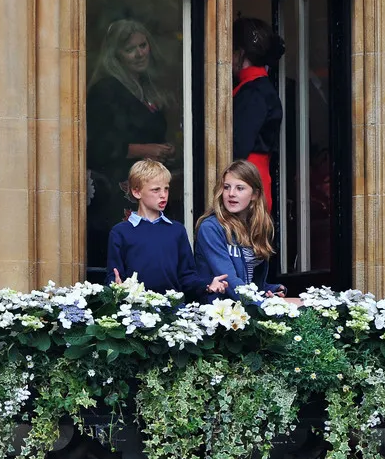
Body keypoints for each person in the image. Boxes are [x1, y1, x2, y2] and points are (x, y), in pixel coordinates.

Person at [86, 20, 176, 270]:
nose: (139, 53)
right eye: (130, 49)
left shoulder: (147, 86)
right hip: (119, 188)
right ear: (116, 56)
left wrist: (165, 148)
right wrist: (146, 150)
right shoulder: (106, 90)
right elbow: (98, 146)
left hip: (152, 183)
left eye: (143, 45)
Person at [106, 159, 226, 300]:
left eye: (166, 189)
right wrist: (116, 287)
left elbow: (187, 277)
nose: (163, 195)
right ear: (137, 192)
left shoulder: (176, 230)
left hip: (171, 308)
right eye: (156, 190)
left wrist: (206, 285)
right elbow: (113, 276)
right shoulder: (120, 232)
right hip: (134, 310)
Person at [194, 160, 286, 300]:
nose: (231, 193)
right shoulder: (211, 228)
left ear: (255, 194)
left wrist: (268, 290)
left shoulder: (259, 226)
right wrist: (263, 306)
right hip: (219, 313)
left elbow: (249, 281)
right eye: (226, 187)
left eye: (240, 188)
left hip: (245, 308)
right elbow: (229, 281)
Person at [232, 17, 285, 212]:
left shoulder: (253, 92)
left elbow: (239, 146)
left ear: (240, 53)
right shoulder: (256, 87)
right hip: (251, 178)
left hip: (246, 180)